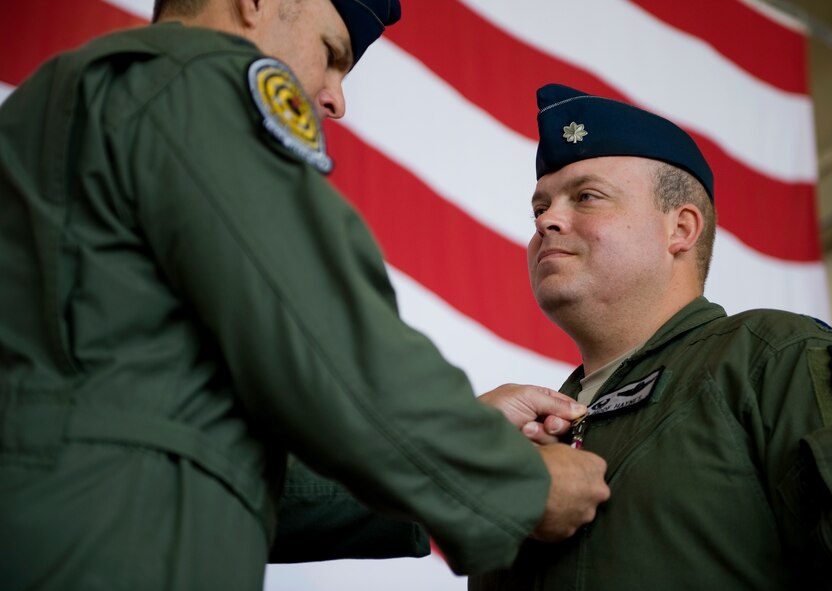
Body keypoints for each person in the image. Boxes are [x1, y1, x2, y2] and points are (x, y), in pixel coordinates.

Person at [0, 3, 612, 589]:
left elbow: (207, 458)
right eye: (332, 53)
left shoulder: (61, 107)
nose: (335, 98)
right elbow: (325, 343)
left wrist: (454, 452)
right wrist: (520, 484)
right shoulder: (196, 78)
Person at [469, 84, 832, 590]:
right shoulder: (522, 439)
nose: (546, 220)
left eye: (586, 197)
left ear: (681, 229)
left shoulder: (775, 356)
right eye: (540, 208)